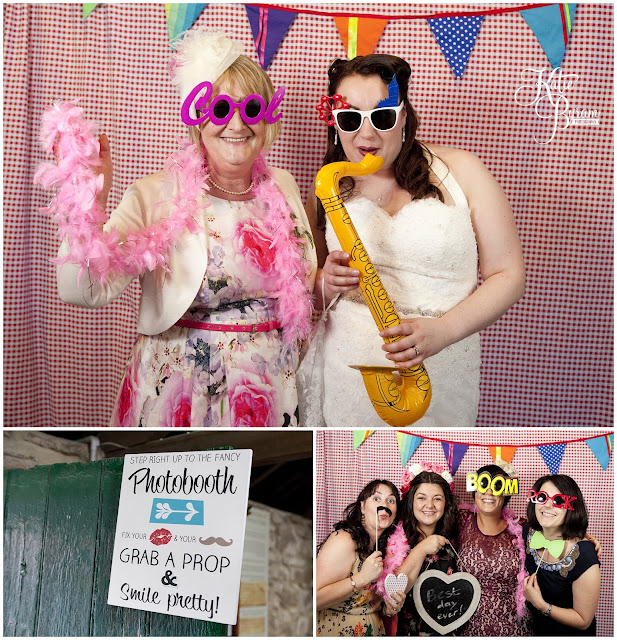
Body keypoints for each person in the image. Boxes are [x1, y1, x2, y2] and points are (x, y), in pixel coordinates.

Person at [46, 29, 317, 427]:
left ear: (267, 115)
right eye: (220, 109)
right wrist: (90, 198)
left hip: (273, 388)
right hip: (180, 389)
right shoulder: (155, 195)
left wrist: (331, 282)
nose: (238, 123)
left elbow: (302, 284)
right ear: (197, 118)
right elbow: (80, 291)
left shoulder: (285, 186)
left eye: (252, 107)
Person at [303, 54, 525, 427]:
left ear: (404, 116)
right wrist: (323, 283)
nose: (367, 135)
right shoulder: (327, 186)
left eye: (383, 116)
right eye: (350, 118)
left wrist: (444, 331)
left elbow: (509, 274)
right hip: (347, 372)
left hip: (444, 369)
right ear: (336, 123)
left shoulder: (465, 170)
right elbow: (306, 291)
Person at [374, 465, 459, 636]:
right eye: (421, 498)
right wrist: (420, 550)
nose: (429, 505)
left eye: (437, 499)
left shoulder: (453, 539)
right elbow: (394, 591)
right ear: (411, 501)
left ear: (446, 503)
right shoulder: (393, 538)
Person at [316, 480, 406, 636]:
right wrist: (362, 577)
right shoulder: (344, 540)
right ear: (362, 507)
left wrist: (389, 609)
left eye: (391, 500)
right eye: (377, 498)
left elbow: (368, 604)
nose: (384, 504)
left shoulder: (386, 549)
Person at [457, 463, 531, 636]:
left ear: (505, 493)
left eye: (497, 486)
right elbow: (426, 517)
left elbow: (554, 532)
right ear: (474, 490)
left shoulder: (523, 528)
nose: (489, 492)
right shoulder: (460, 520)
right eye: (483, 484)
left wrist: (582, 540)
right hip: (467, 628)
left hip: (514, 629)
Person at [523, 474, 600, 636]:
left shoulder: (584, 555)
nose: (547, 505)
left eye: (558, 500)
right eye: (542, 497)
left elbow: (583, 621)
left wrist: (541, 605)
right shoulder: (526, 533)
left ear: (572, 506)